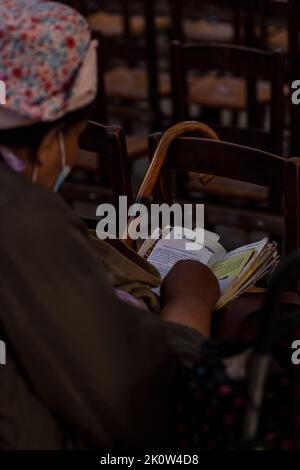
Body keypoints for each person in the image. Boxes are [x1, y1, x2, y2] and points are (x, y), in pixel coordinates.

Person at [0, 0, 220, 450]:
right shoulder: (22, 217)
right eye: (79, 138)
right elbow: (141, 398)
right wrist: (190, 302)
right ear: (48, 143)